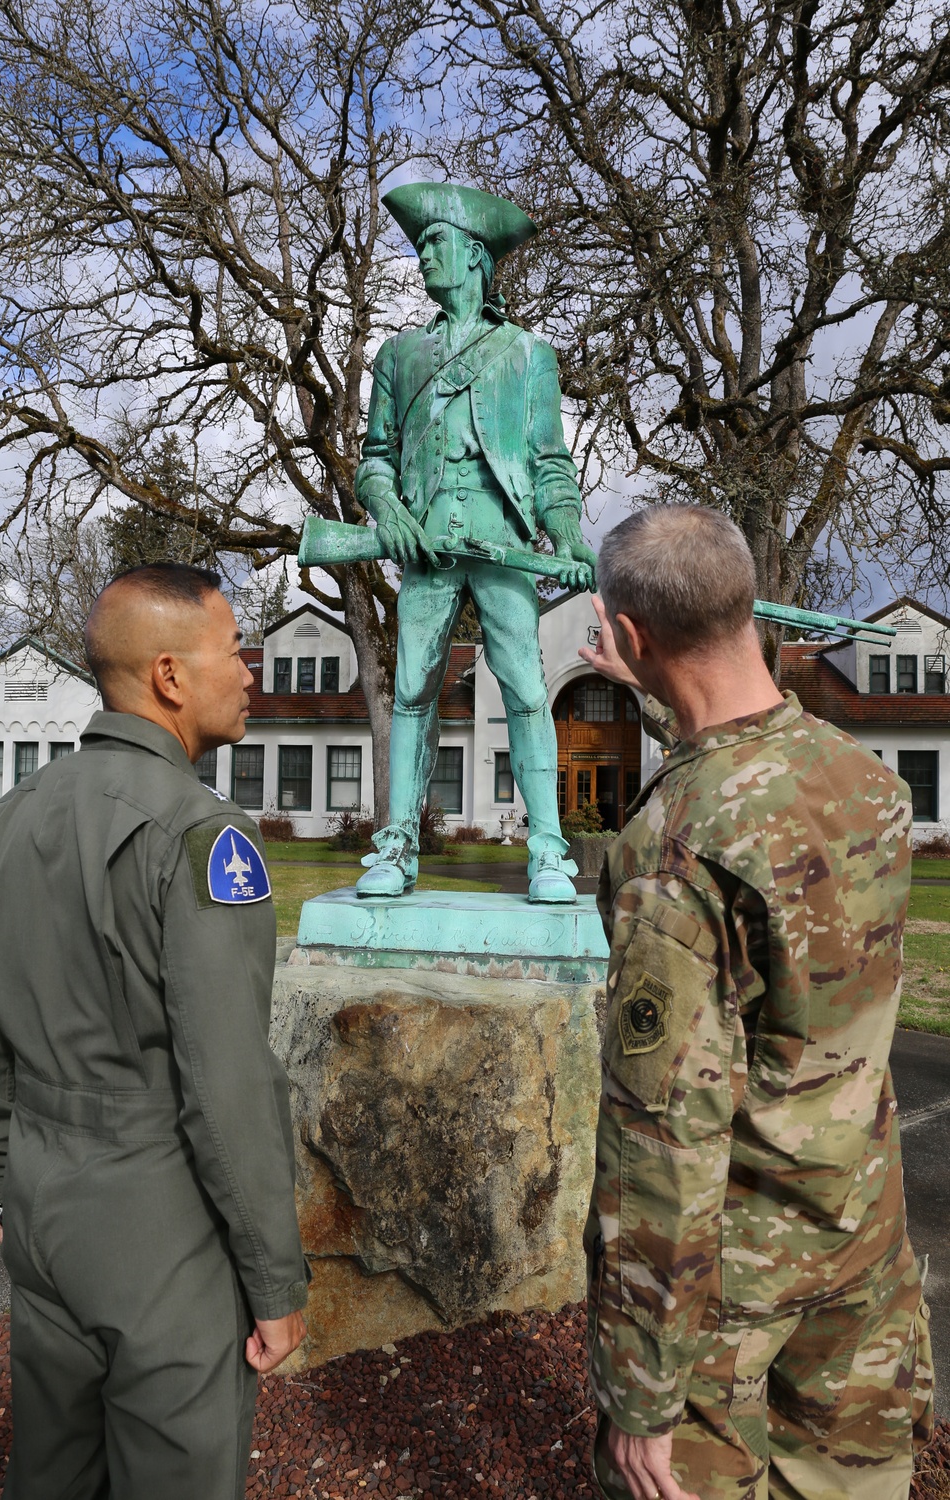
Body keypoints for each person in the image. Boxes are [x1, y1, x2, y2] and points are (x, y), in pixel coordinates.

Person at [578, 507, 933, 1500]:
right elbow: (749, 763)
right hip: (861, 1251)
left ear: (634, 634)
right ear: (744, 606)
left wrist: (641, 1393)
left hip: (729, 1297)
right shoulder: (864, 784)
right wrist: (649, 686)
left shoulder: (672, 851)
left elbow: (662, 1140)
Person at [0, 563, 308, 1500]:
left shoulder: (6, 825)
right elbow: (227, 1083)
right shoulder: (203, 833)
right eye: (236, 651)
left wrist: (13, 1183)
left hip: (42, 1213)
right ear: (170, 677)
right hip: (163, 1227)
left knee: (55, 1474)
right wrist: (275, 1285)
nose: (252, 672)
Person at [354, 181, 596, 903]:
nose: (424, 256)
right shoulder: (398, 356)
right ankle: (396, 844)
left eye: (436, 244)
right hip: (425, 544)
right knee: (411, 691)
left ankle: (548, 849)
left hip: (502, 542)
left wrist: (569, 533)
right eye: (421, 245)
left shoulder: (529, 356)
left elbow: (550, 462)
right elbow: (374, 459)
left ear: (475, 256)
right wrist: (388, 511)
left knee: (525, 689)